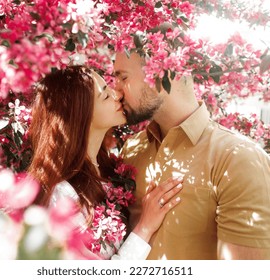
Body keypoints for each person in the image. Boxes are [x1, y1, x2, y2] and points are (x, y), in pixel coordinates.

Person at [113, 52, 270, 260]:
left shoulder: (240, 159)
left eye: (123, 77)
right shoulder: (133, 148)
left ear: (161, 70)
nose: (116, 90)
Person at [27, 66, 183, 260]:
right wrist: (145, 227)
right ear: (81, 114)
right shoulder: (62, 195)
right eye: (105, 96)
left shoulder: (112, 171)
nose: (117, 94)